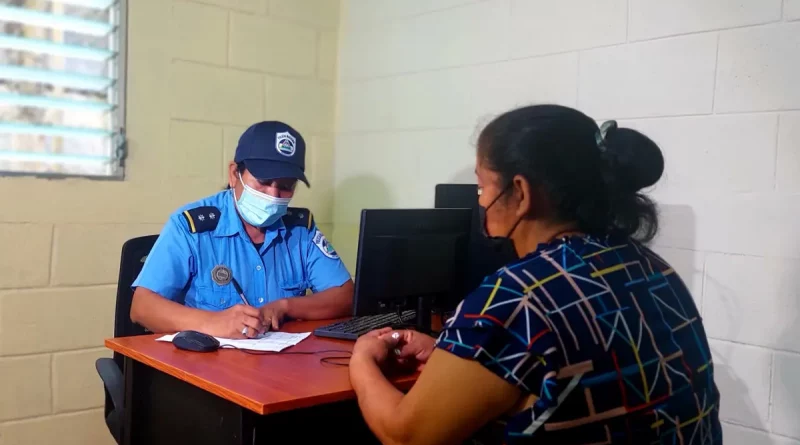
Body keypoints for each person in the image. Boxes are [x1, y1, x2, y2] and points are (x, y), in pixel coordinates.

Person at [349, 105, 722, 445]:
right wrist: (454, 356)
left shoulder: (517, 299)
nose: (479, 200)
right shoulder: (654, 270)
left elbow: (407, 436)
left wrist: (363, 360)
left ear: (520, 192)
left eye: (482, 186)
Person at [130, 121, 353, 339]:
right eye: (263, 182)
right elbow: (142, 307)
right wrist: (214, 322)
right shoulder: (191, 227)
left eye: (285, 186)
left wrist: (285, 306)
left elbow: (345, 296)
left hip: (280, 366)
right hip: (206, 367)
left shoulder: (300, 229)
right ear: (234, 174)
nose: (273, 195)